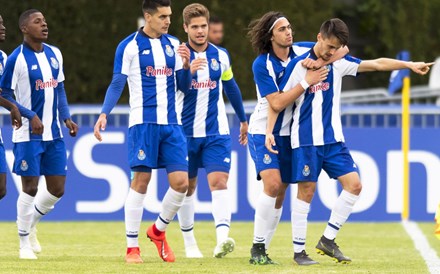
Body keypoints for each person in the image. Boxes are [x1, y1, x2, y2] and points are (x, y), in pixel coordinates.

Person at [266, 18, 432, 265]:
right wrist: (269, 131)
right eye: (329, 46)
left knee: (354, 185)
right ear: (319, 37)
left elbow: (376, 64)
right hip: (306, 140)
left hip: (334, 140)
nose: (331, 52)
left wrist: (408, 64)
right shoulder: (300, 65)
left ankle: (327, 240)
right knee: (306, 191)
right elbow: (277, 101)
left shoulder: (339, 63)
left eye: (336, 48)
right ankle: (299, 252)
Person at [93, 0, 194, 264]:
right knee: (140, 183)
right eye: (162, 16)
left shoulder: (175, 45)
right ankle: (132, 248)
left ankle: (158, 230)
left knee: (181, 184)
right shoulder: (128, 46)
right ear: (147, 17)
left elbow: (185, 87)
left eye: (169, 16)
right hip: (142, 124)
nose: (168, 21)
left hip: (172, 125)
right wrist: (104, 113)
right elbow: (117, 82)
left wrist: (185, 66)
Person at [246, 11, 345, 265]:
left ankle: (264, 247)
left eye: (289, 27)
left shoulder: (301, 50)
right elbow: (276, 102)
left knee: (280, 193)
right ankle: (257, 248)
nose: (289, 32)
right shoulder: (262, 64)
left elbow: (338, 49)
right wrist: (307, 81)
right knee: (273, 184)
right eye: (282, 29)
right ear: (271, 36)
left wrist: (321, 62)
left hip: (291, 134)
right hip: (263, 131)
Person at [0, 9, 78, 260]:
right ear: (24, 28)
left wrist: (66, 118)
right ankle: (23, 242)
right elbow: (3, 93)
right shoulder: (16, 59)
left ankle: (30, 223)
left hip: (53, 133)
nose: (44, 25)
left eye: (45, 21)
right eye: (37, 22)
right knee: (30, 188)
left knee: (57, 189)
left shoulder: (55, 53)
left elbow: (60, 87)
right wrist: (28, 114)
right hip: (27, 134)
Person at [176, 3, 248, 259]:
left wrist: (242, 120)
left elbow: (231, 87)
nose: (200, 31)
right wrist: (186, 69)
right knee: (187, 187)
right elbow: (182, 89)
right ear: (185, 28)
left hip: (216, 132)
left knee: (219, 182)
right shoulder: (177, 55)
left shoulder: (221, 55)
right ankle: (189, 242)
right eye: (194, 27)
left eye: (203, 26)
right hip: (184, 134)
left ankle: (221, 240)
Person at [0, 14, 23, 200]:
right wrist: (12, 108)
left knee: (1, 189)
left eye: (2, 22)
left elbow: (6, 91)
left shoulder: (3, 57)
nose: (3, 27)